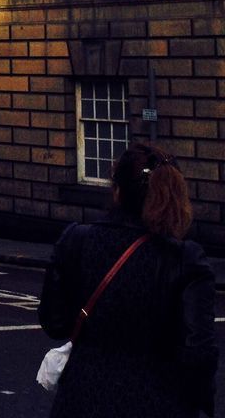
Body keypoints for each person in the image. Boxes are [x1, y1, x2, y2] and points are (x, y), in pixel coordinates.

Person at [38, 143, 217, 417]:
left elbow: (55, 321)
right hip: (158, 403)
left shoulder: (75, 240)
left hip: (81, 399)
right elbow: (199, 354)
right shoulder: (185, 260)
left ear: (117, 191)